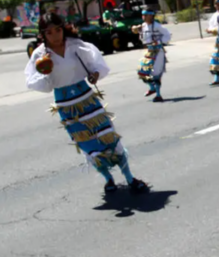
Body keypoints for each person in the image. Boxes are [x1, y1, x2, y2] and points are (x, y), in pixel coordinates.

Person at [25, 13, 149, 194]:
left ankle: (130, 178)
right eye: (49, 32)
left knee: (109, 137)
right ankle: (108, 179)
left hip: (86, 98)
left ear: (63, 29)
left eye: (58, 30)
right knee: (87, 144)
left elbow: (96, 64)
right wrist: (45, 70)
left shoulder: (76, 46)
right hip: (67, 105)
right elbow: (36, 82)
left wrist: (95, 74)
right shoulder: (40, 55)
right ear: (43, 34)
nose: (55, 35)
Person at [134, 8, 171, 102]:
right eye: (143, 15)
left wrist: (159, 41)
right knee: (142, 71)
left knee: (156, 73)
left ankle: (158, 95)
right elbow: (143, 38)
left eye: (146, 15)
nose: (144, 17)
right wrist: (138, 31)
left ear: (151, 16)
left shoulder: (157, 26)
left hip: (158, 51)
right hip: (149, 51)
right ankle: (152, 88)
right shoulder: (143, 26)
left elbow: (167, 35)